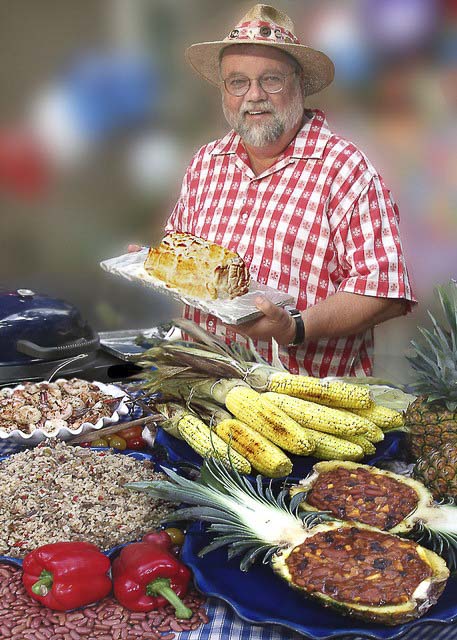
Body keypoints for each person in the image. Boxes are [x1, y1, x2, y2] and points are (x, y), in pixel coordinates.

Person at [131, 4, 416, 377]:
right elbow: (189, 263)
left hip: (309, 412)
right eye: (238, 82)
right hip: (205, 394)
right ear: (224, 90)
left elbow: (386, 291)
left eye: (271, 80)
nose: (254, 96)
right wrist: (157, 264)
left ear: (299, 84)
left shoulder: (345, 169)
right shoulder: (205, 163)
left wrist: (297, 327)